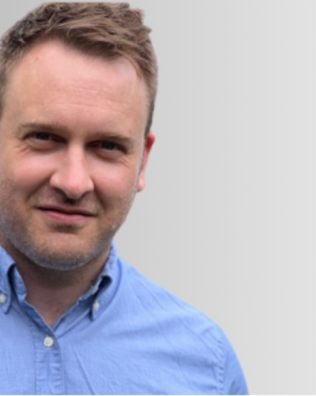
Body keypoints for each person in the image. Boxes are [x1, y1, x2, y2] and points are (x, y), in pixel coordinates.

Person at [0, 2, 248, 394]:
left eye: (107, 146)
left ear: (143, 161)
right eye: (45, 138)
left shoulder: (205, 365)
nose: (74, 182)